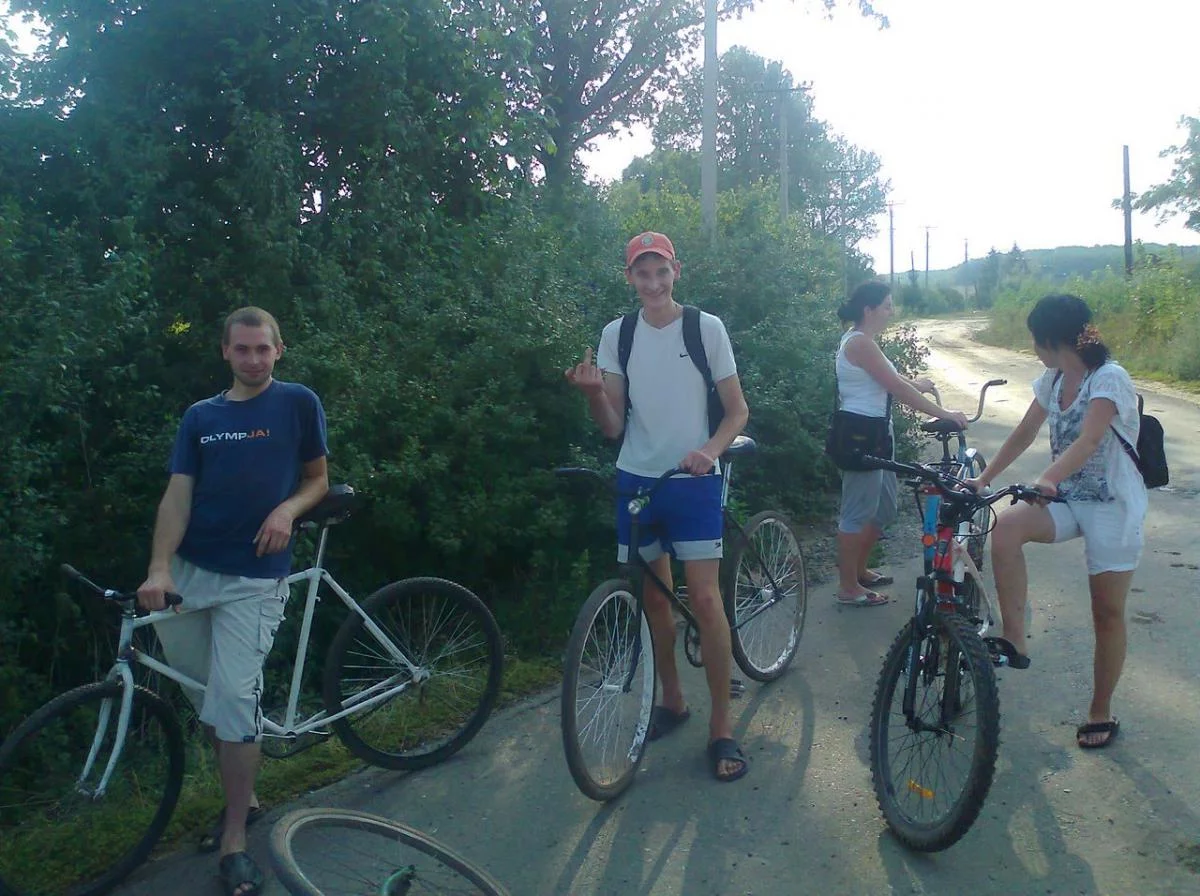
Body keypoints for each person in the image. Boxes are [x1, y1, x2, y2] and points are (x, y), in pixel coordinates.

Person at [137, 307, 329, 896]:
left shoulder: (298, 403)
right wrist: (160, 567)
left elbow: (317, 479)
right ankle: (247, 797)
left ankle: (236, 841)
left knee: (234, 702)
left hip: (255, 579)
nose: (253, 359)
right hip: (191, 574)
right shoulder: (201, 417)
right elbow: (177, 496)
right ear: (225, 351)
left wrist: (286, 510)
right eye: (242, 349)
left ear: (279, 350)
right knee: (208, 702)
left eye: (262, 349)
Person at [564, 231, 752, 782]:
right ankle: (673, 699)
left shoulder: (705, 328)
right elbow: (613, 427)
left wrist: (709, 451)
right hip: (637, 480)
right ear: (629, 278)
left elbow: (737, 411)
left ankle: (722, 728)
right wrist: (593, 394)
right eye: (642, 274)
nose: (653, 283)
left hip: (693, 481)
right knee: (653, 598)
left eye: (661, 271)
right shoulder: (617, 335)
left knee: (706, 598)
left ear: (676, 271)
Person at [964, 293, 1146, 750]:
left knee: (1106, 611)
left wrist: (1047, 478)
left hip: (1112, 505)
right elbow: (1025, 431)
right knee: (1007, 527)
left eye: (1035, 340)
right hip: (1066, 498)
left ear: (1050, 340)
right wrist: (984, 479)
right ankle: (1015, 638)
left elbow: (1090, 440)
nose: (1033, 349)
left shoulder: (1110, 378)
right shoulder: (1053, 379)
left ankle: (1100, 709)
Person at [834, 280, 968, 606]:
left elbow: (889, 378)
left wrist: (917, 383)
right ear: (869, 310)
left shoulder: (864, 341)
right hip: (860, 437)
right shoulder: (860, 343)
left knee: (884, 509)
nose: (891, 312)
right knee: (856, 513)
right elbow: (895, 387)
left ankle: (860, 570)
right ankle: (848, 587)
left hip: (878, 434)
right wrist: (945, 413)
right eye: (887, 306)